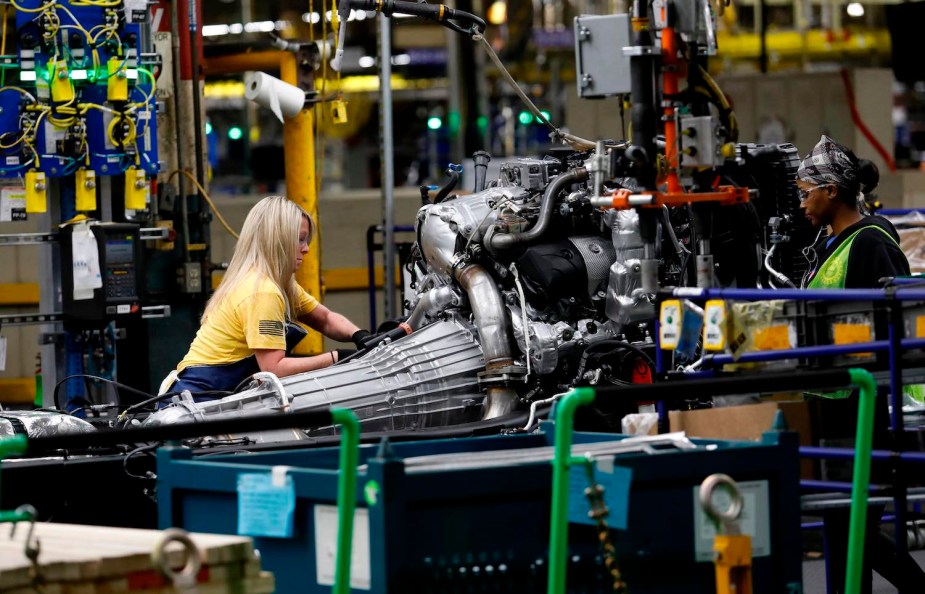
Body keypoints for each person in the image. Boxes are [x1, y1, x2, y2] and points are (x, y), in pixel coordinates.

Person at [797, 136, 924, 594]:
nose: (801, 202)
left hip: (863, 406)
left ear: (832, 190)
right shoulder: (829, 242)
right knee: (840, 526)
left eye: (806, 191)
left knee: (855, 531)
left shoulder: (871, 241)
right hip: (830, 401)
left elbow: (895, 323)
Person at [166, 196, 372, 396]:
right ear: (277, 240)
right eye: (300, 239)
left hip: (204, 393)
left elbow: (325, 319)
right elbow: (274, 369)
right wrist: (336, 358)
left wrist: (360, 335)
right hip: (200, 398)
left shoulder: (276, 283)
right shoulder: (263, 292)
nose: (306, 249)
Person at [798, 135, 909, 289]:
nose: (802, 204)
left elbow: (894, 305)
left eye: (805, 194)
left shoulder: (874, 243)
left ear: (831, 191)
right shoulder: (827, 246)